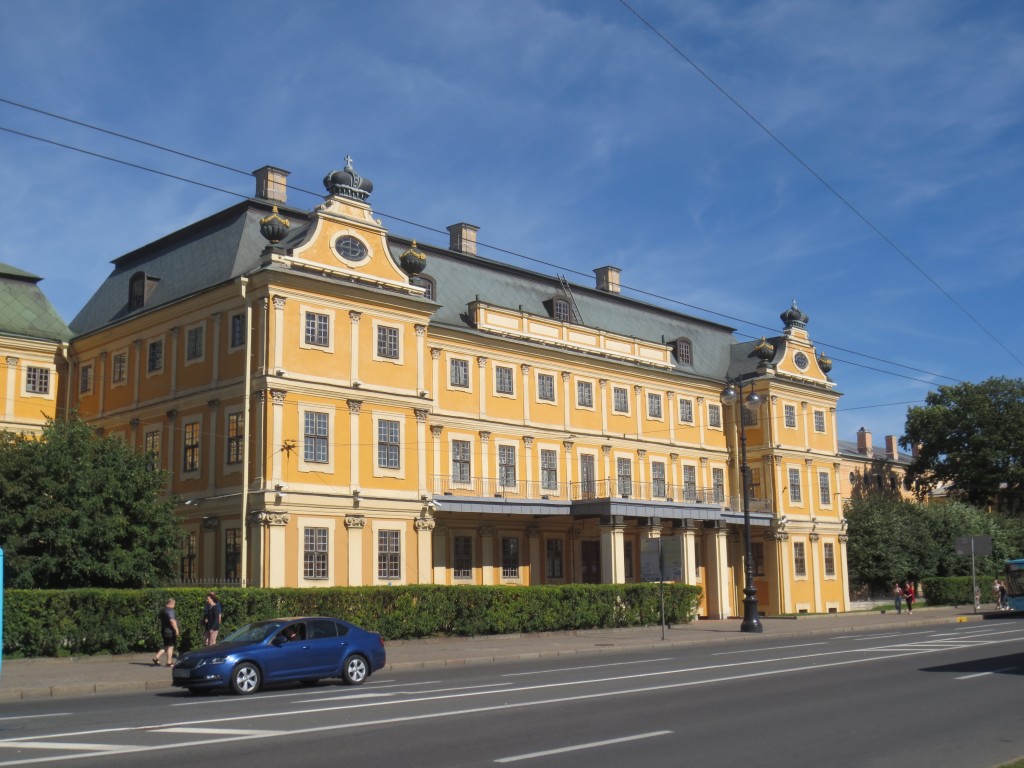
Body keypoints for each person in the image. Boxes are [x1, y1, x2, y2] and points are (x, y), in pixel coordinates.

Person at [152, 598, 179, 667]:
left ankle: (156, 657)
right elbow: (172, 620)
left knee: (166, 646)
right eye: (174, 604)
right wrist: (176, 630)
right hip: (170, 631)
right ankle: (169, 663)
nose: (174, 606)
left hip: (164, 630)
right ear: (171, 603)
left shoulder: (162, 610)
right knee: (171, 647)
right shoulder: (170, 610)